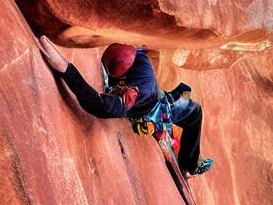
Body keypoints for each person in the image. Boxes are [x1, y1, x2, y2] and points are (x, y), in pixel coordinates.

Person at [38, 36, 214, 177]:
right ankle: (191, 163)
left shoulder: (134, 94)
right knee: (194, 111)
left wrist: (66, 69)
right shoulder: (137, 54)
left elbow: (100, 106)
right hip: (156, 96)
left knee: (195, 111)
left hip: (157, 107)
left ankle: (191, 165)